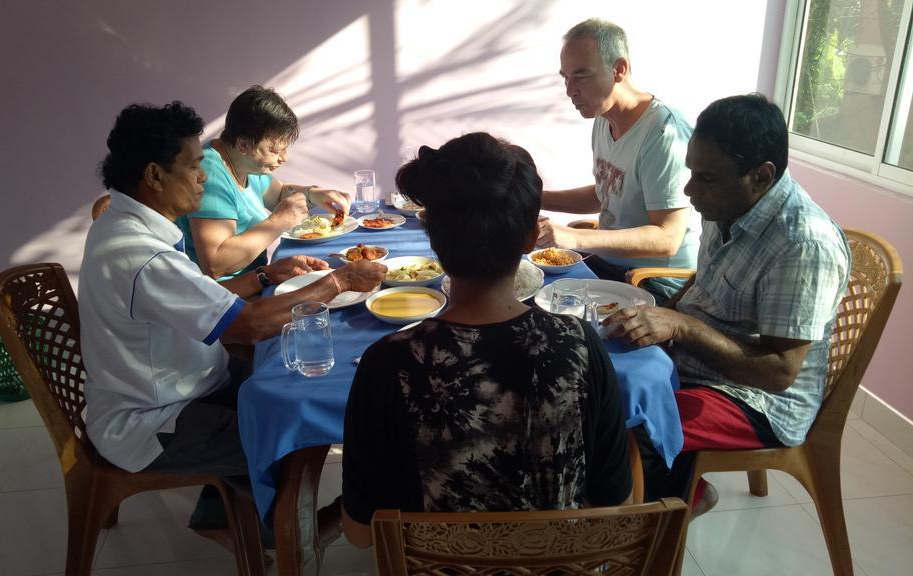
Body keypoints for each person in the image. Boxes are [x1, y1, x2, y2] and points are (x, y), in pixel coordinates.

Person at [79, 101, 385, 541]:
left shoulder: (125, 226)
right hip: (153, 420)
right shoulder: (141, 256)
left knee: (294, 384)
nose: (204, 175)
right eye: (193, 166)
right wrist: (338, 281)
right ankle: (293, 535)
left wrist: (266, 273)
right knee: (283, 434)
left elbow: (204, 300)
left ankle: (226, 514)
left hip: (191, 380)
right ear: (153, 176)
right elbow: (248, 326)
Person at [341, 132, 633, 548]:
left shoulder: (387, 363)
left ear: (432, 237)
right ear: (532, 237)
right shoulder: (580, 346)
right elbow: (616, 504)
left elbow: (360, 534)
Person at [603, 94, 851, 513]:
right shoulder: (726, 203)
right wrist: (667, 316)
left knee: (628, 428)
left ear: (761, 176)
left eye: (707, 178)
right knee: (595, 377)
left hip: (757, 401)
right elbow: (707, 279)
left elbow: (778, 373)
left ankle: (647, 534)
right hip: (700, 362)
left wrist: (679, 327)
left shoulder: (803, 244)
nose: (689, 190)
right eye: (692, 173)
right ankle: (684, 491)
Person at [538, 18, 699, 303]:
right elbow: (608, 193)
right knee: (532, 286)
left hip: (653, 282)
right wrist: (535, 198)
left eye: (581, 76)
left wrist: (574, 239)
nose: (570, 90)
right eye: (565, 77)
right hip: (611, 266)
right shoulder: (603, 119)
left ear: (619, 69)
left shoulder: (663, 132)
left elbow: (668, 238)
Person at [176, 85, 350, 281]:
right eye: (275, 151)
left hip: (258, 277)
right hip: (227, 295)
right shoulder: (211, 176)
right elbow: (215, 264)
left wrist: (313, 194)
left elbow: (278, 194)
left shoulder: (245, 163)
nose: (284, 158)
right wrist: (278, 222)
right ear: (243, 145)